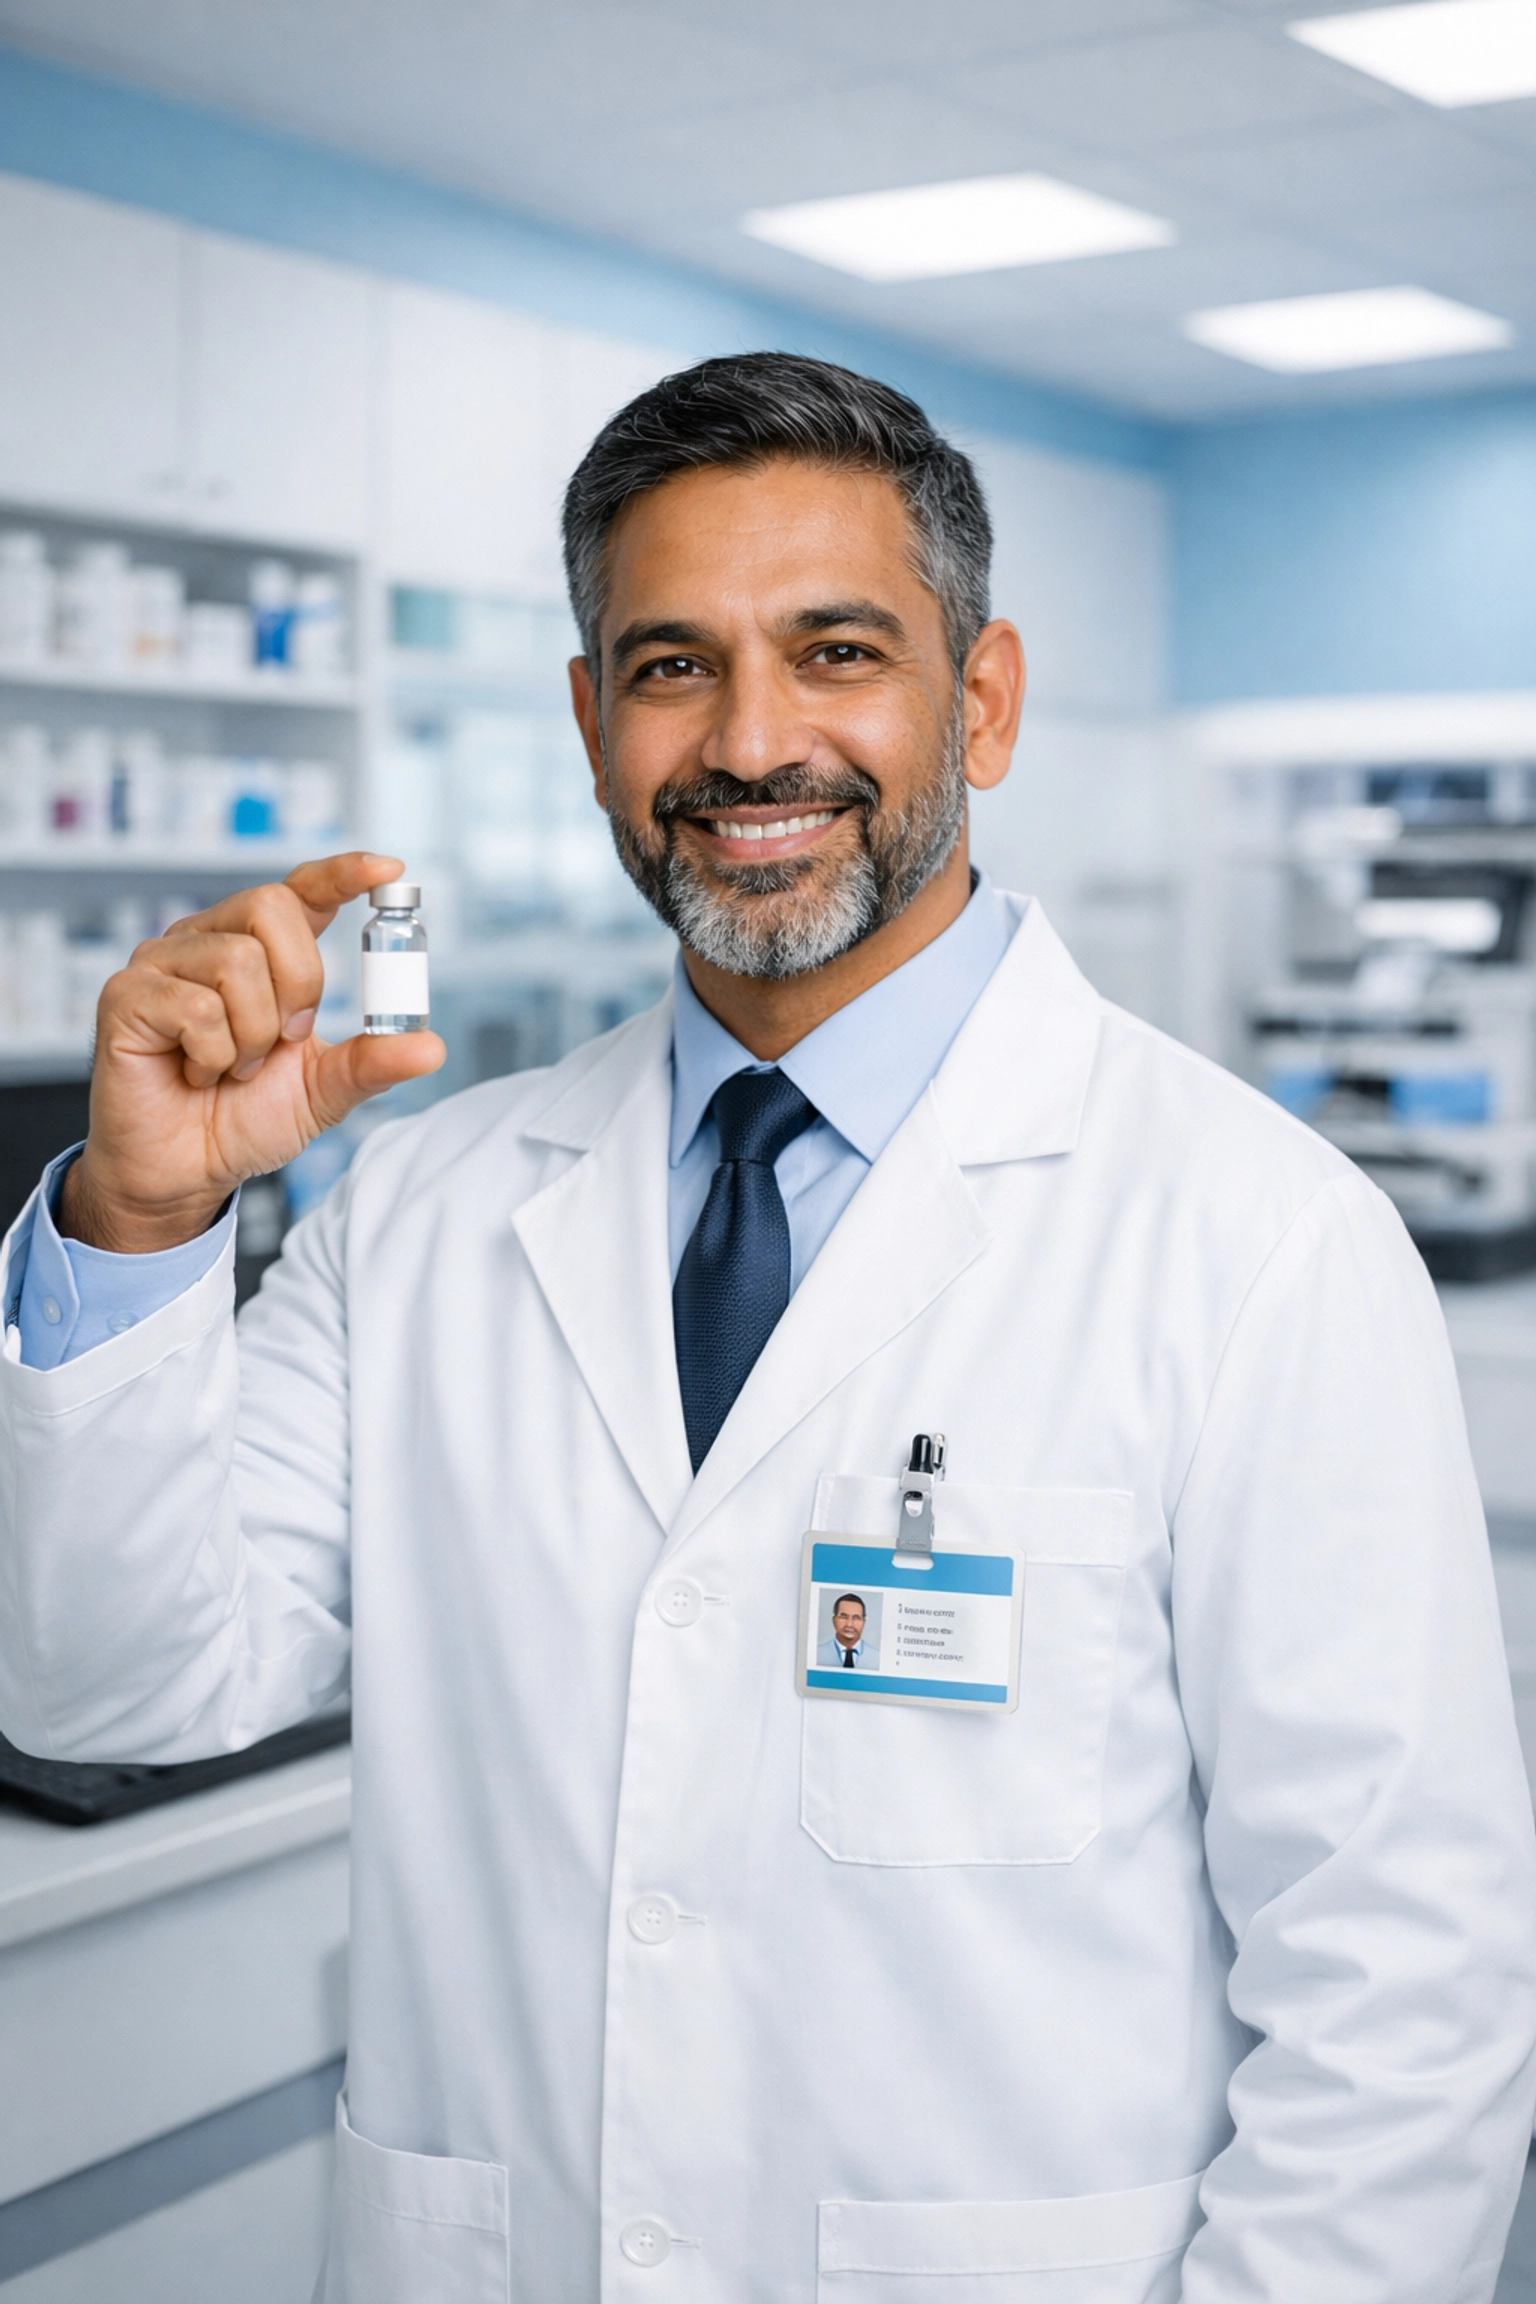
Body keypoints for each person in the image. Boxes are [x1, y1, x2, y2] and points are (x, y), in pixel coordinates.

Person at [2, 351, 1534, 2304]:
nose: (750, 742)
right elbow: (106, 1696)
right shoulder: (425, 1211)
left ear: (979, 698)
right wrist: (137, 1224)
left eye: (834, 652)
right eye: (669, 666)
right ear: (587, 719)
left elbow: (1402, 1987)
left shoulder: (1257, 1241)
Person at [816, 1593, 869, 1669]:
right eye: (844, 1617)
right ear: (834, 1620)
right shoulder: (817, 1654)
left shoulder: (878, 1657)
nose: (849, 1624)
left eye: (856, 1618)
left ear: (863, 1622)